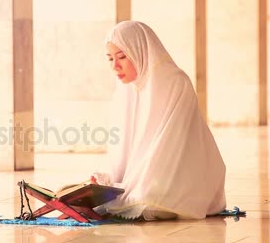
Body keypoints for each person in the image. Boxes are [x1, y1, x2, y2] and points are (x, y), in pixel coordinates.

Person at [92, 20, 226, 221]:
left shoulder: (175, 83)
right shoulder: (126, 89)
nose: (115, 66)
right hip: (148, 174)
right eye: (110, 59)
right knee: (107, 197)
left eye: (121, 57)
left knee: (148, 199)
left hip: (179, 175)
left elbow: (167, 146)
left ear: (140, 51)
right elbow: (120, 146)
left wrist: (134, 185)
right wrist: (107, 179)